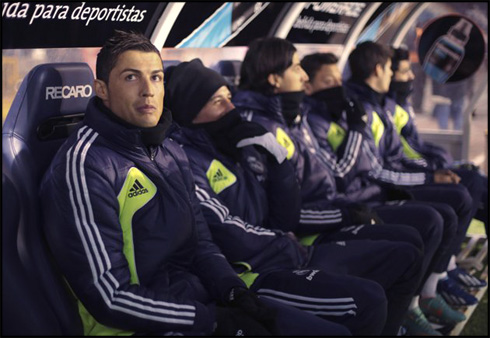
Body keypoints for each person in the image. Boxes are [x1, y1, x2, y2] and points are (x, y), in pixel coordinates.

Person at [39, 30, 351, 337]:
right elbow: (110, 297)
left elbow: (200, 241)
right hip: (135, 325)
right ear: (102, 89)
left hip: (193, 298)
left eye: (157, 77)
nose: (148, 90)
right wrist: (211, 319)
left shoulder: (170, 151)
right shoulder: (84, 167)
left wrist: (231, 289)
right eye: (131, 77)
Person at [164, 58, 393, 336]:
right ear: (190, 112)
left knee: (394, 262)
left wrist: (278, 161)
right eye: (217, 102)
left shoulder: (237, 143)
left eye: (229, 97)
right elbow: (227, 232)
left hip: (280, 253)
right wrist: (284, 241)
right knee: (366, 302)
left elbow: (284, 216)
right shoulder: (186, 160)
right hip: (250, 273)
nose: (231, 108)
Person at [231, 37, 429, 336]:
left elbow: (331, 177)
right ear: (274, 79)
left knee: (411, 244)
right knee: (402, 253)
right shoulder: (258, 129)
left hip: (329, 215)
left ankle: (411, 311)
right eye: (297, 68)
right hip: (306, 237)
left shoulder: (292, 119)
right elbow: (285, 212)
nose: (305, 77)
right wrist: (349, 213)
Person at [300, 51, 469, 335]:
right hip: (346, 208)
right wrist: (355, 129)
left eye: (339, 79)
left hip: (366, 196)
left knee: (453, 200)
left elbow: (379, 160)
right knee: (428, 221)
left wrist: (433, 167)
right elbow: (342, 175)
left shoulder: (346, 110)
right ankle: (410, 307)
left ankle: (425, 294)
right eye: (329, 81)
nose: (338, 86)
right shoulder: (312, 122)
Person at [344, 41, 480, 309]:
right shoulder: (361, 108)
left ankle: (439, 278)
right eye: (399, 71)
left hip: (390, 182)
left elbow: (400, 151)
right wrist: (430, 176)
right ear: (379, 69)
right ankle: (425, 294)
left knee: (470, 185)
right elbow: (375, 170)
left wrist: (438, 167)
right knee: (445, 209)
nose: (407, 77)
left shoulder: (381, 104)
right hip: (374, 193)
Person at [389, 45, 488, 238]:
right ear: (382, 73)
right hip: (406, 180)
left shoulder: (400, 103)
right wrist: (434, 170)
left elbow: (416, 145)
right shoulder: (383, 110)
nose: (411, 76)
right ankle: (444, 265)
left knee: (477, 180)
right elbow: (399, 156)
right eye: (404, 72)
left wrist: (443, 162)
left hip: (420, 170)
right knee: (467, 188)